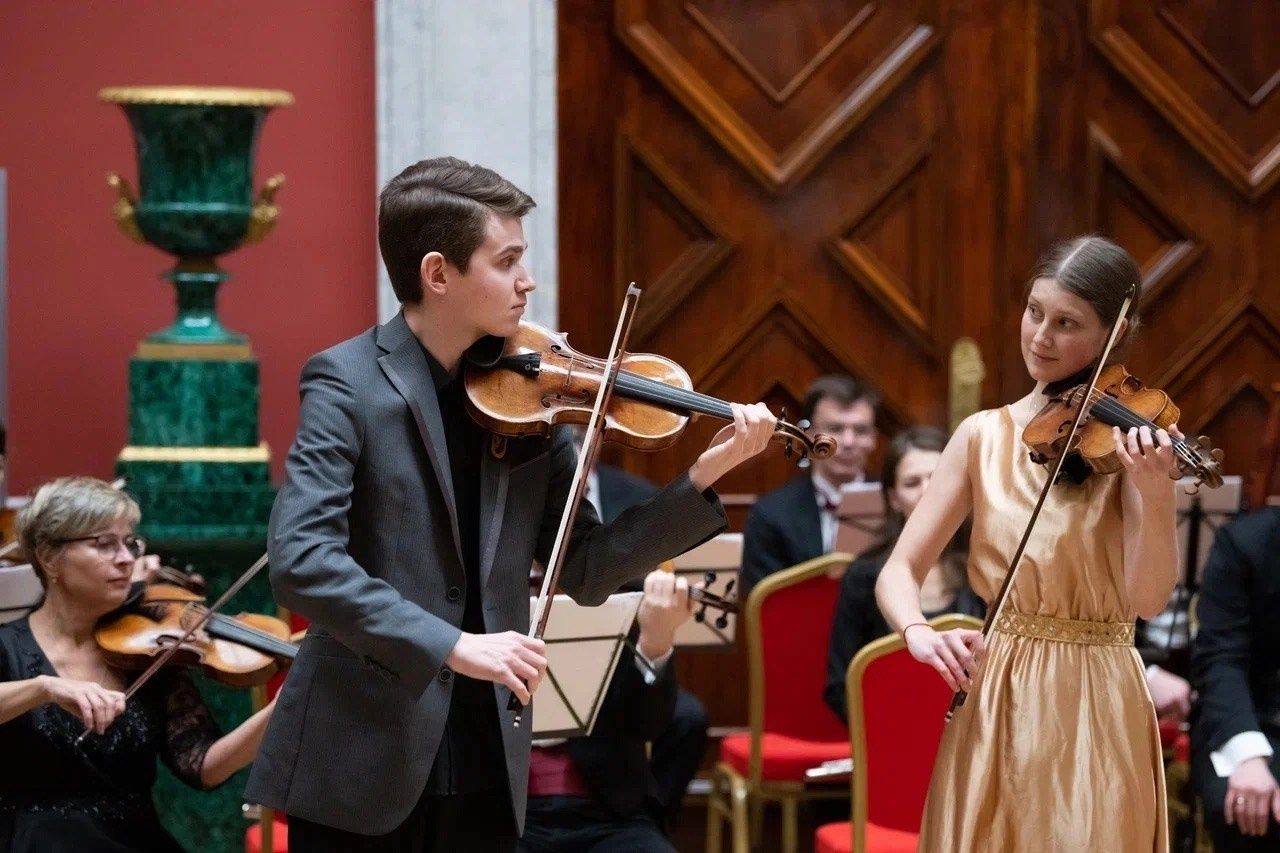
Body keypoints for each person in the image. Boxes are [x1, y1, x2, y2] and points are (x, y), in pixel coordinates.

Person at [244, 156, 775, 852]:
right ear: (438, 274)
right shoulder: (346, 384)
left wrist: (703, 476)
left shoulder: (533, 396)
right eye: (507, 261)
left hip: (487, 754)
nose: (528, 280)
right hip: (362, 756)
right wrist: (453, 644)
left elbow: (586, 567)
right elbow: (301, 561)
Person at [875, 235, 1181, 850]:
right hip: (1000, 689)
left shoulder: (1135, 447)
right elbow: (899, 570)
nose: (1040, 336)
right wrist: (917, 632)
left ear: (1113, 334)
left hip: (1101, 690)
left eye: (1067, 323)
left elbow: (1148, 601)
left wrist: (1156, 495)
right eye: (1035, 311)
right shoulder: (980, 436)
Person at [0, 476, 275, 852]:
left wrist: (285, 706)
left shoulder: (146, 652)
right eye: (104, 544)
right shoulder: (7, 647)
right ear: (49, 557)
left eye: (130, 543)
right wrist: (43, 688)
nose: (127, 559)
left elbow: (203, 765)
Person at [520, 568, 691, 852]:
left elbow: (648, 723)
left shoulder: (602, 572)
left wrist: (655, 643)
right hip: (502, 814)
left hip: (608, 811)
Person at [824, 426, 984, 722]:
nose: (927, 491)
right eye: (912, 483)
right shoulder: (863, 575)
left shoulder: (985, 568)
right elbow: (840, 684)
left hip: (972, 726)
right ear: (893, 499)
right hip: (888, 728)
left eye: (937, 479)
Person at [1189, 506, 1280, 849]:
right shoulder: (1244, 541)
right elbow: (1220, 659)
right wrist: (1247, 756)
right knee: (1246, 808)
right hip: (1254, 720)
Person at [740, 375, 878, 592]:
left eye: (860, 430)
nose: (848, 442)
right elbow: (766, 600)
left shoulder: (897, 503)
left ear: (873, 438)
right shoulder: (770, 514)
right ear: (810, 435)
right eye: (835, 428)